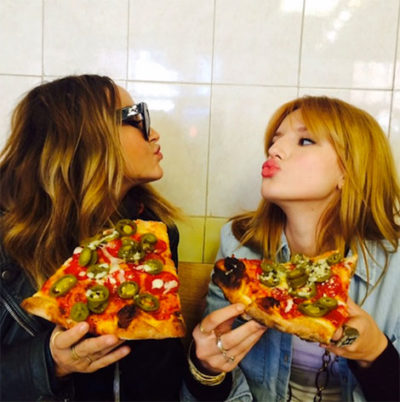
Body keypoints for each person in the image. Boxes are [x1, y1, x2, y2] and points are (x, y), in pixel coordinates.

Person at [182, 96, 400, 402]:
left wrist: (376, 354)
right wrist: (205, 369)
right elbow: (215, 380)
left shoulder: (396, 263)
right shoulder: (239, 247)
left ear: (349, 171)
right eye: (275, 140)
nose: (274, 150)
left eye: (305, 140)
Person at [0, 74, 185, 401]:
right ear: (81, 137)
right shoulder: (7, 241)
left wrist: (204, 370)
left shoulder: (154, 232)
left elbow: (159, 369)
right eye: (135, 118)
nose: (153, 133)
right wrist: (48, 360)